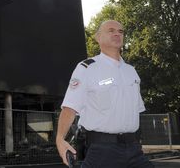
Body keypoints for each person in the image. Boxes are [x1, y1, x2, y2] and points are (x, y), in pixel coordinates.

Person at [56, 20, 154, 168]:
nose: (117, 34)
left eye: (120, 32)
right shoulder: (87, 68)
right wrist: (60, 139)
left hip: (134, 150)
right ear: (98, 37)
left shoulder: (131, 71)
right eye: (111, 30)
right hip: (102, 151)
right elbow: (70, 107)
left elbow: (136, 111)